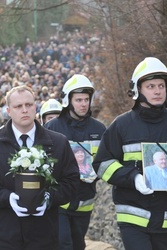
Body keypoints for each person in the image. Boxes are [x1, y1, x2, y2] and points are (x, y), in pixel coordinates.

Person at [92, 57, 167, 250]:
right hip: (132, 214)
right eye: (151, 86)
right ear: (138, 90)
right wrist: (133, 177)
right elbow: (102, 163)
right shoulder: (122, 125)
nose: (157, 91)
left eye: (161, 86)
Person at [0, 85, 79, 249]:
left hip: (44, 235)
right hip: (4, 235)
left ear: (36, 106)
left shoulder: (58, 142)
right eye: (18, 106)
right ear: (8, 110)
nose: (24, 110)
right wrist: (7, 198)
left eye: (29, 105)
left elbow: (72, 183)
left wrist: (49, 198)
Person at [44, 74, 106, 250]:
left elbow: (104, 161)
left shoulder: (99, 129)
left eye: (86, 99)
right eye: (78, 99)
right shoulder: (52, 127)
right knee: (63, 244)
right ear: (68, 101)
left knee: (78, 245)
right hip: (59, 201)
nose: (83, 104)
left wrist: (94, 174)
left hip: (84, 200)